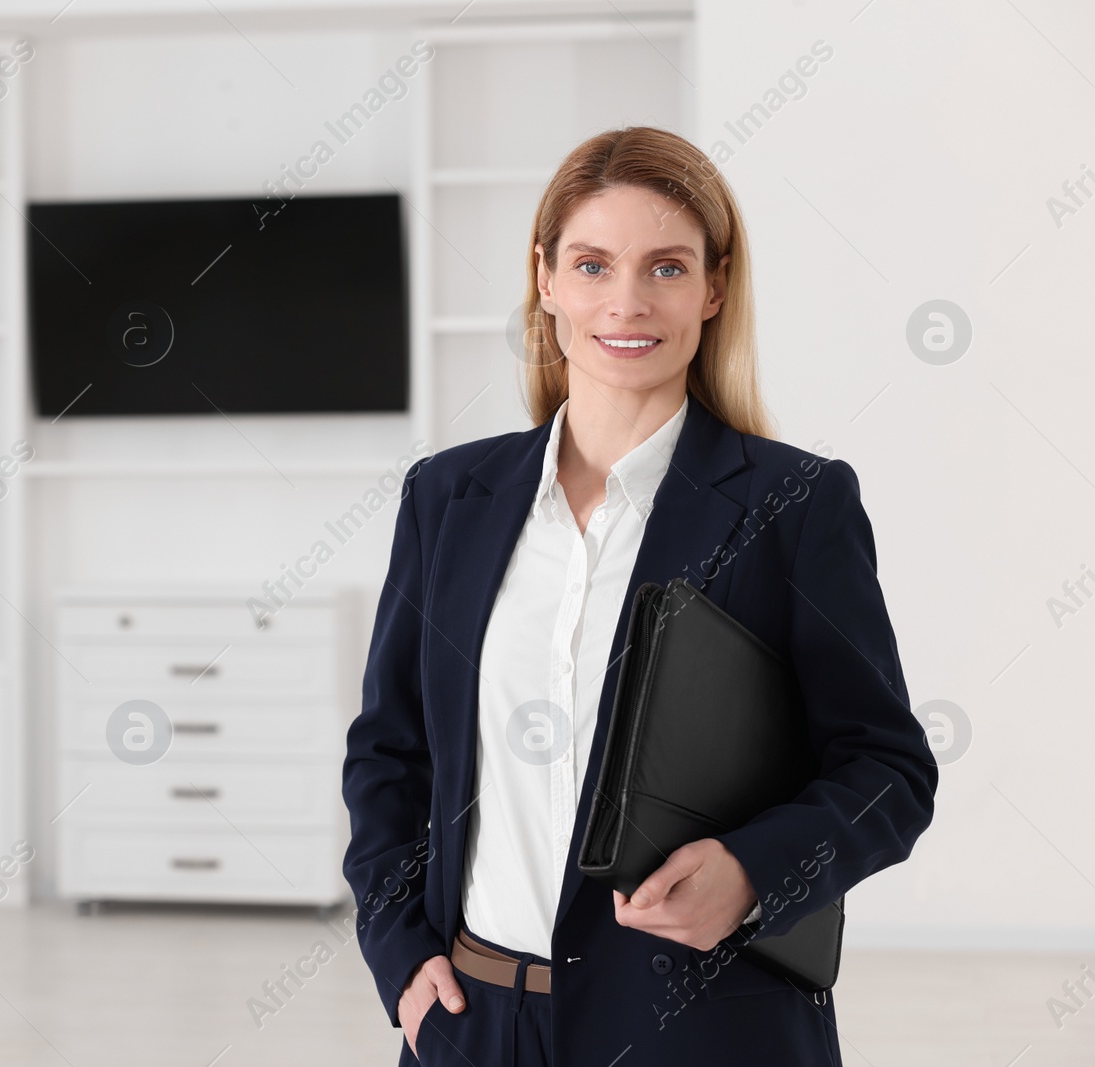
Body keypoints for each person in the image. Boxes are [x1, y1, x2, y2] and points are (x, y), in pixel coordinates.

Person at [340, 126, 938, 1066]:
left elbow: (889, 772)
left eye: (665, 267)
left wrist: (749, 872)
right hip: (475, 1023)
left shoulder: (796, 503)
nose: (626, 301)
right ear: (545, 281)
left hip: (704, 1030)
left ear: (713, 288)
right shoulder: (447, 498)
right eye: (592, 264)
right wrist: (400, 960)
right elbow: (389, 752)